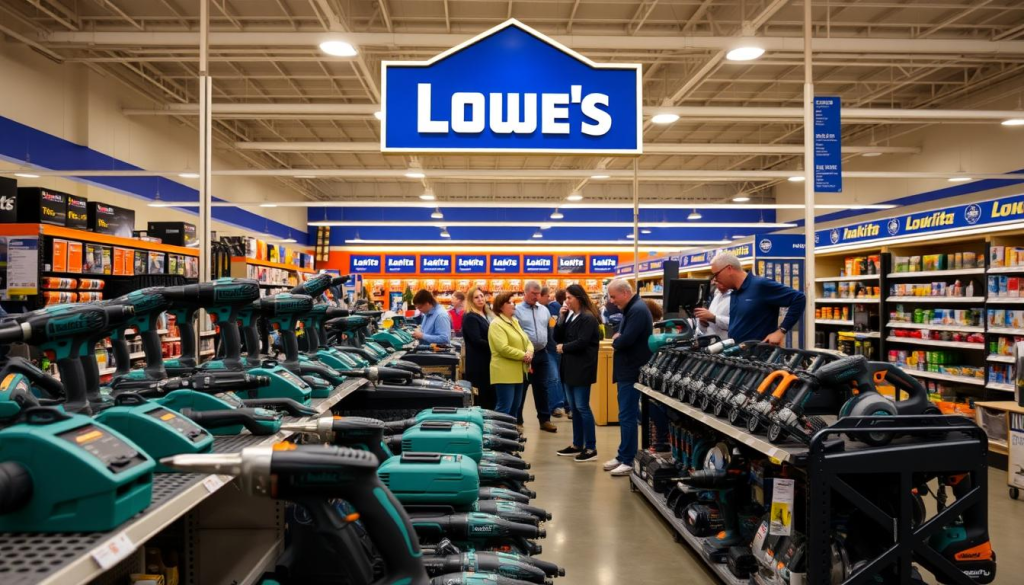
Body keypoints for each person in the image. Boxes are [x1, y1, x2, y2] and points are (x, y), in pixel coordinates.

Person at [604, 279, 653, 477]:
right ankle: (623, 454)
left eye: (614, 296)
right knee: (626, 414)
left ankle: (628, 459)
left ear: (625, 293)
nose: (612, 301)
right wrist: (619, 337)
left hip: (632, 370)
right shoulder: (632, 309)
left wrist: (618, 340)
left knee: (628, 415)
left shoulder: (638, 310)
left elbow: (625, 340)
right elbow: (620, 335)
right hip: (627, 369)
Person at [708, 252, 805, 345]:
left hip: (760, 356)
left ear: (729, 269)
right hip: (739, 354)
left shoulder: (760, 285)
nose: (715, 279)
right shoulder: (734, 292)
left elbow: (799, 298)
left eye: (716, 274)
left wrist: (781, 331)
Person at [553, 284, 601, 462]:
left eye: (569, 298)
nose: (566, 301)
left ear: (578, 298)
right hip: (569, 368)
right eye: (566, 298)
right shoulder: (572, 316)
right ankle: (577, 444)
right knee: (574, 408)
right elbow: (557, 336)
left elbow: (582, 342)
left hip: (582, 368)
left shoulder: (588, 318)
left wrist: (564, 348)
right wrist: (561, 317)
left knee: (582, 407)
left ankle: (591, 447)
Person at [513, 282, 557, 433]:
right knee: (522, 388)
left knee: (542, 388)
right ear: (525, 292)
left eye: (538, 294)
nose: (536, 296)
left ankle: (545, 420)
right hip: (524, 356)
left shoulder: (544, 310)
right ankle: (517, 421)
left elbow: (548, 329)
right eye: (533, 293)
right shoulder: (516, 310)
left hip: (542, 353)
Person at [488, 292, 533, 421]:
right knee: (504, 409)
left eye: (514, 302)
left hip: (518, 372)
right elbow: (502, 348)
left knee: (515, 407)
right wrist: (524, 355)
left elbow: (527, 341)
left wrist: (529, 352)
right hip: (504, 372)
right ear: (500, 306)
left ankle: (510, 437)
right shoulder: (496, 324)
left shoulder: (514, 321)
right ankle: (498, 437)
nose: (513, 305)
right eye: (509, 302)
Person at [462, 286, 495, 410]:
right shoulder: (470, 317)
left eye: (482, 296)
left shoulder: (486, 314)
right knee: (482, 396)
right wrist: (496, 346)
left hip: (488, 361)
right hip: (478, 363)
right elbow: (476, 340)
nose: (480, 299)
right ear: (471, 300)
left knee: (489, 393)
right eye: (476, 297)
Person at [540, 286, 567, 419]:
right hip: (553, 349)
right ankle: (559, 406)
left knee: (556, 378)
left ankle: (559, 405)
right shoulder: (543, 310)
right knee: (556, 377)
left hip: (554, 348)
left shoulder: (550, 308)